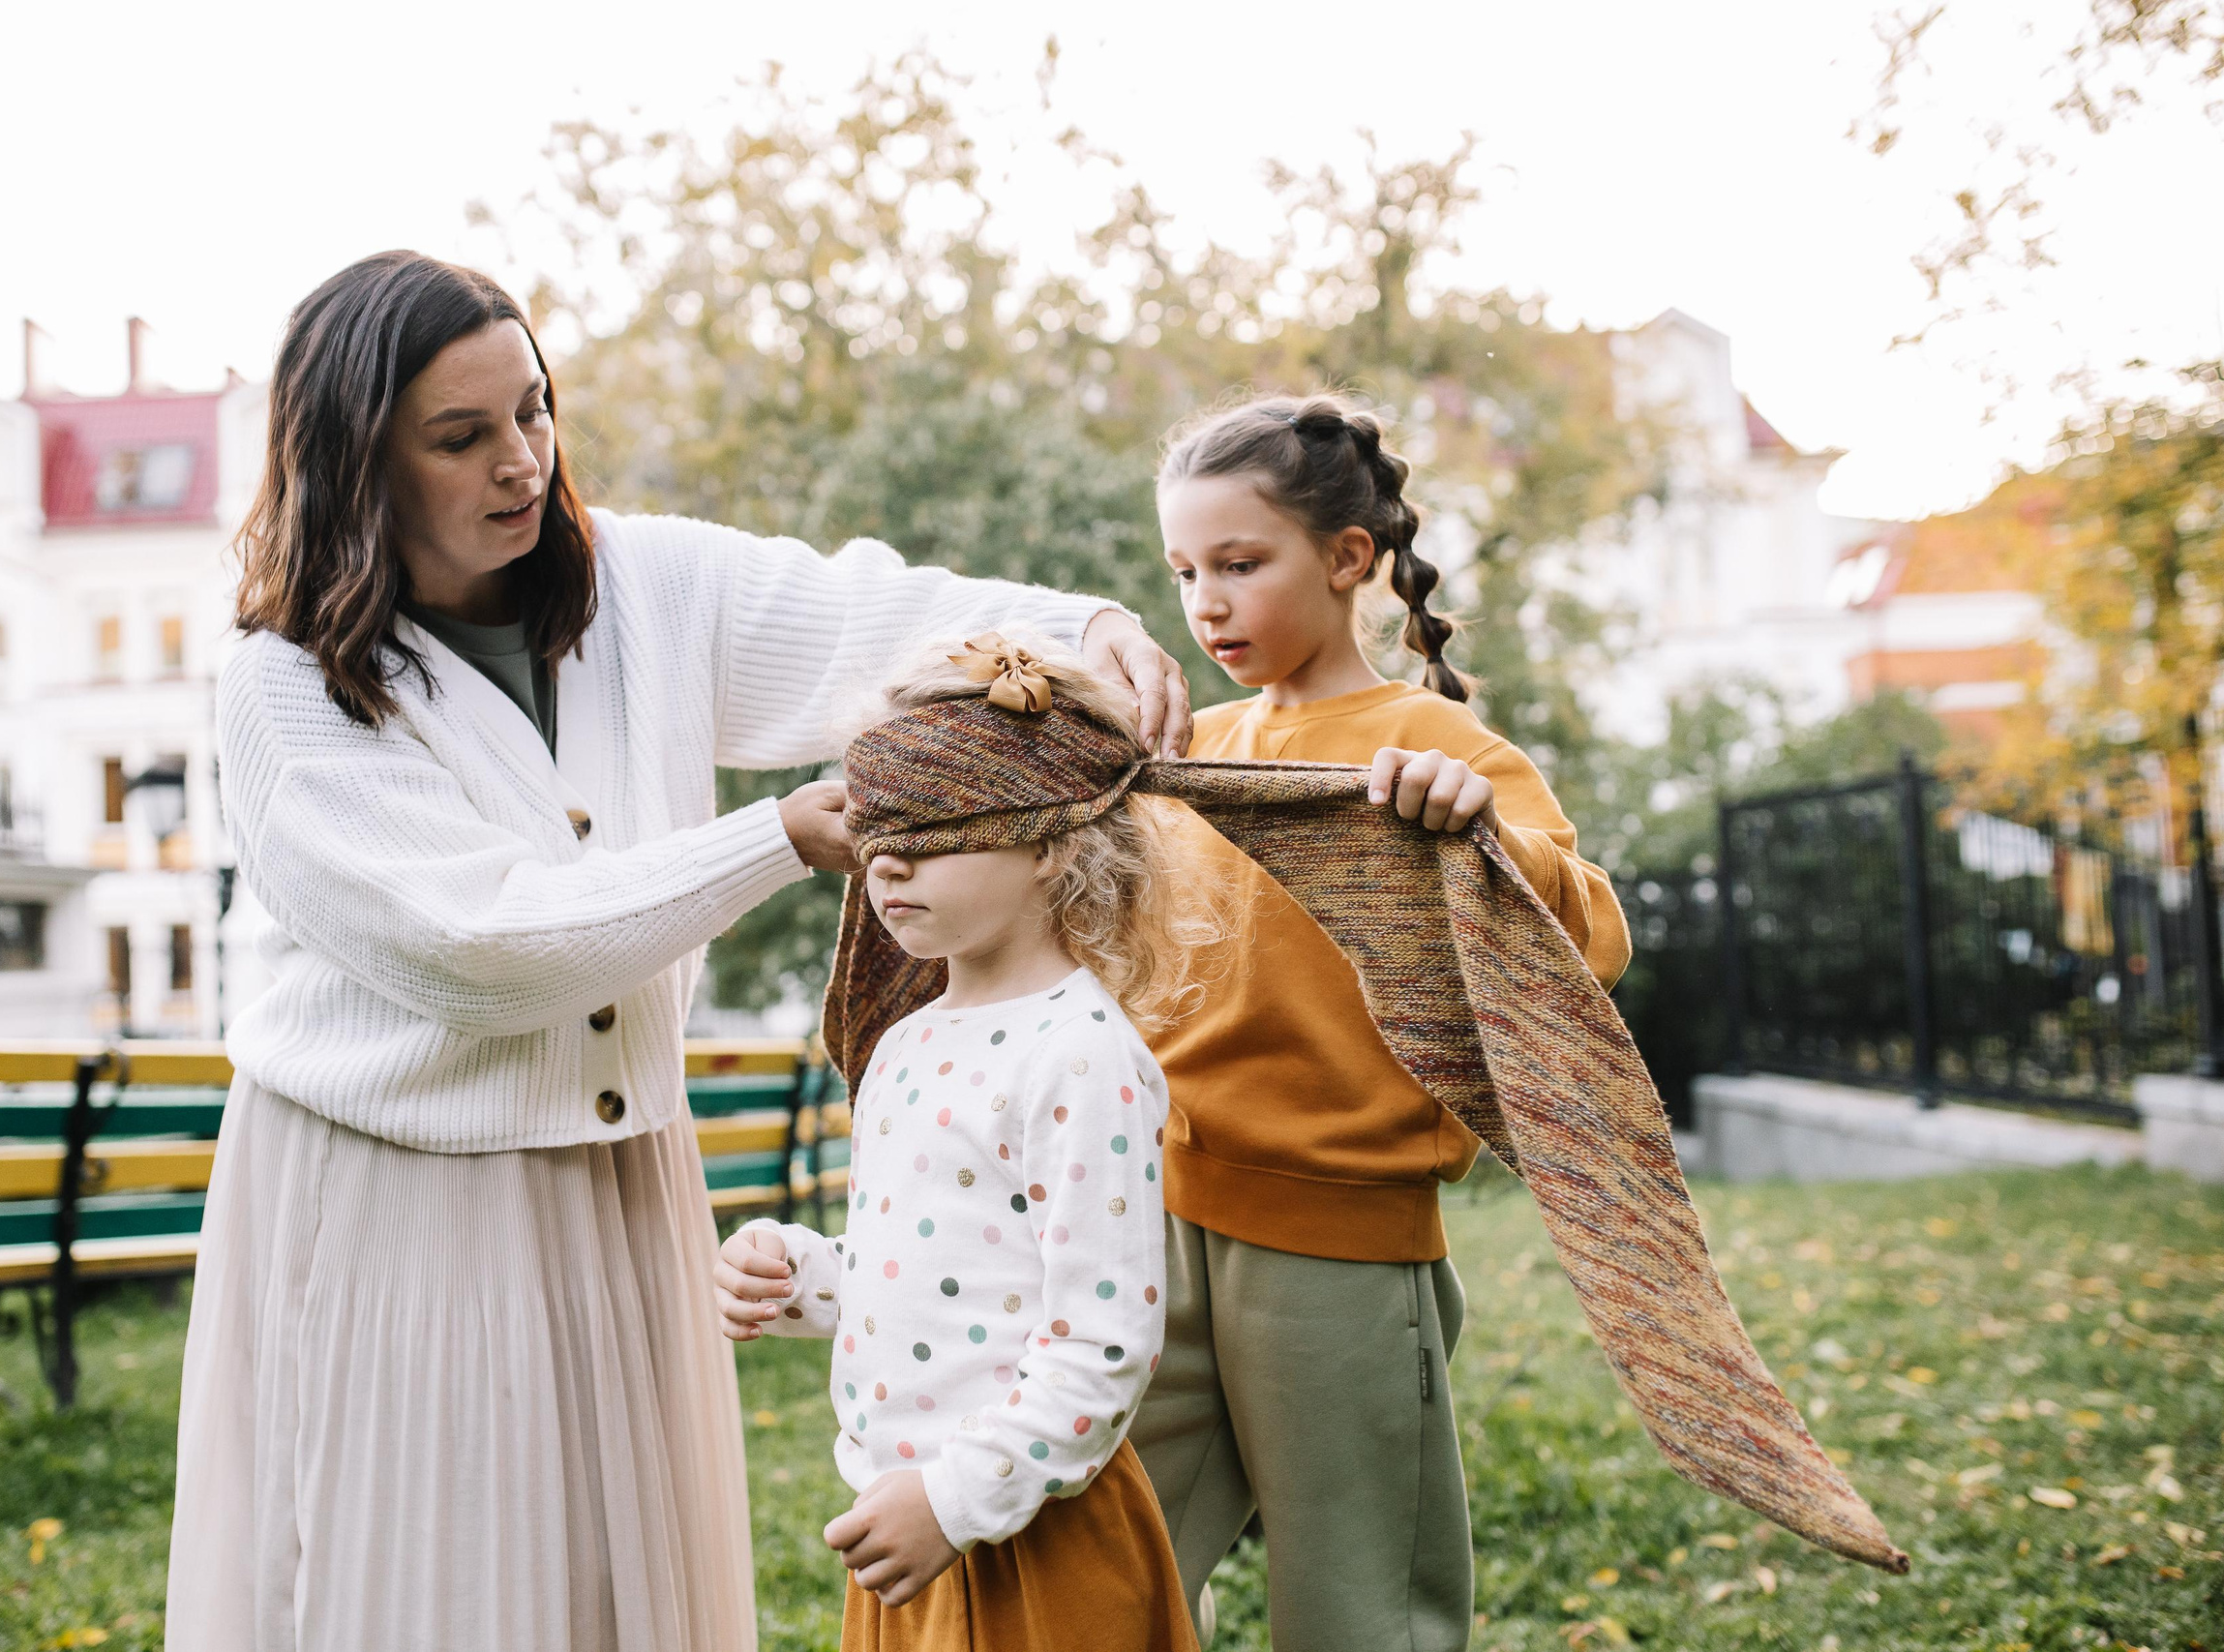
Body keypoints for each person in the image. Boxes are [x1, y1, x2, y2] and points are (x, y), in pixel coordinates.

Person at [162, 251, 1192, 1652]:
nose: (522, 460)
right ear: (356, 464)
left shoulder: (643, 584)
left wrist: (1087, 627)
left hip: (623, 1170)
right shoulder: (286, 691)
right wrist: (772, 837)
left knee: (613, 1581)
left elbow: (868, 613)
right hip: (399, 1198)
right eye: (461, 437)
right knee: (439, 1581)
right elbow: (479, 946)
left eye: (534, 409)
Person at [1125, 393, 1632, 1651]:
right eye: (1185, 572)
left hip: (1338, 1243)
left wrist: (1474, 828)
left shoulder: (1428, 742)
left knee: (1359, 1597)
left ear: (1347, 557)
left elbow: (1589, 938)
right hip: (1152, 1221)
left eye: (1240, 563)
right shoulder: (1193, 747)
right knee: (1107, 1561)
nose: (1206, 604)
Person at [713, 639, 1204, 1652]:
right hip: (908, 1522)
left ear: (1050, 842)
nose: (887, 863)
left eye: (932, 831)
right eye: (878, 832)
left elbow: (1103, 1343)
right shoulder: (904, 1043)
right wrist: (799, 1274)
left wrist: (953, 1501)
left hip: (1029, 1533)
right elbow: (930, 1269)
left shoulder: (1078, 1054)